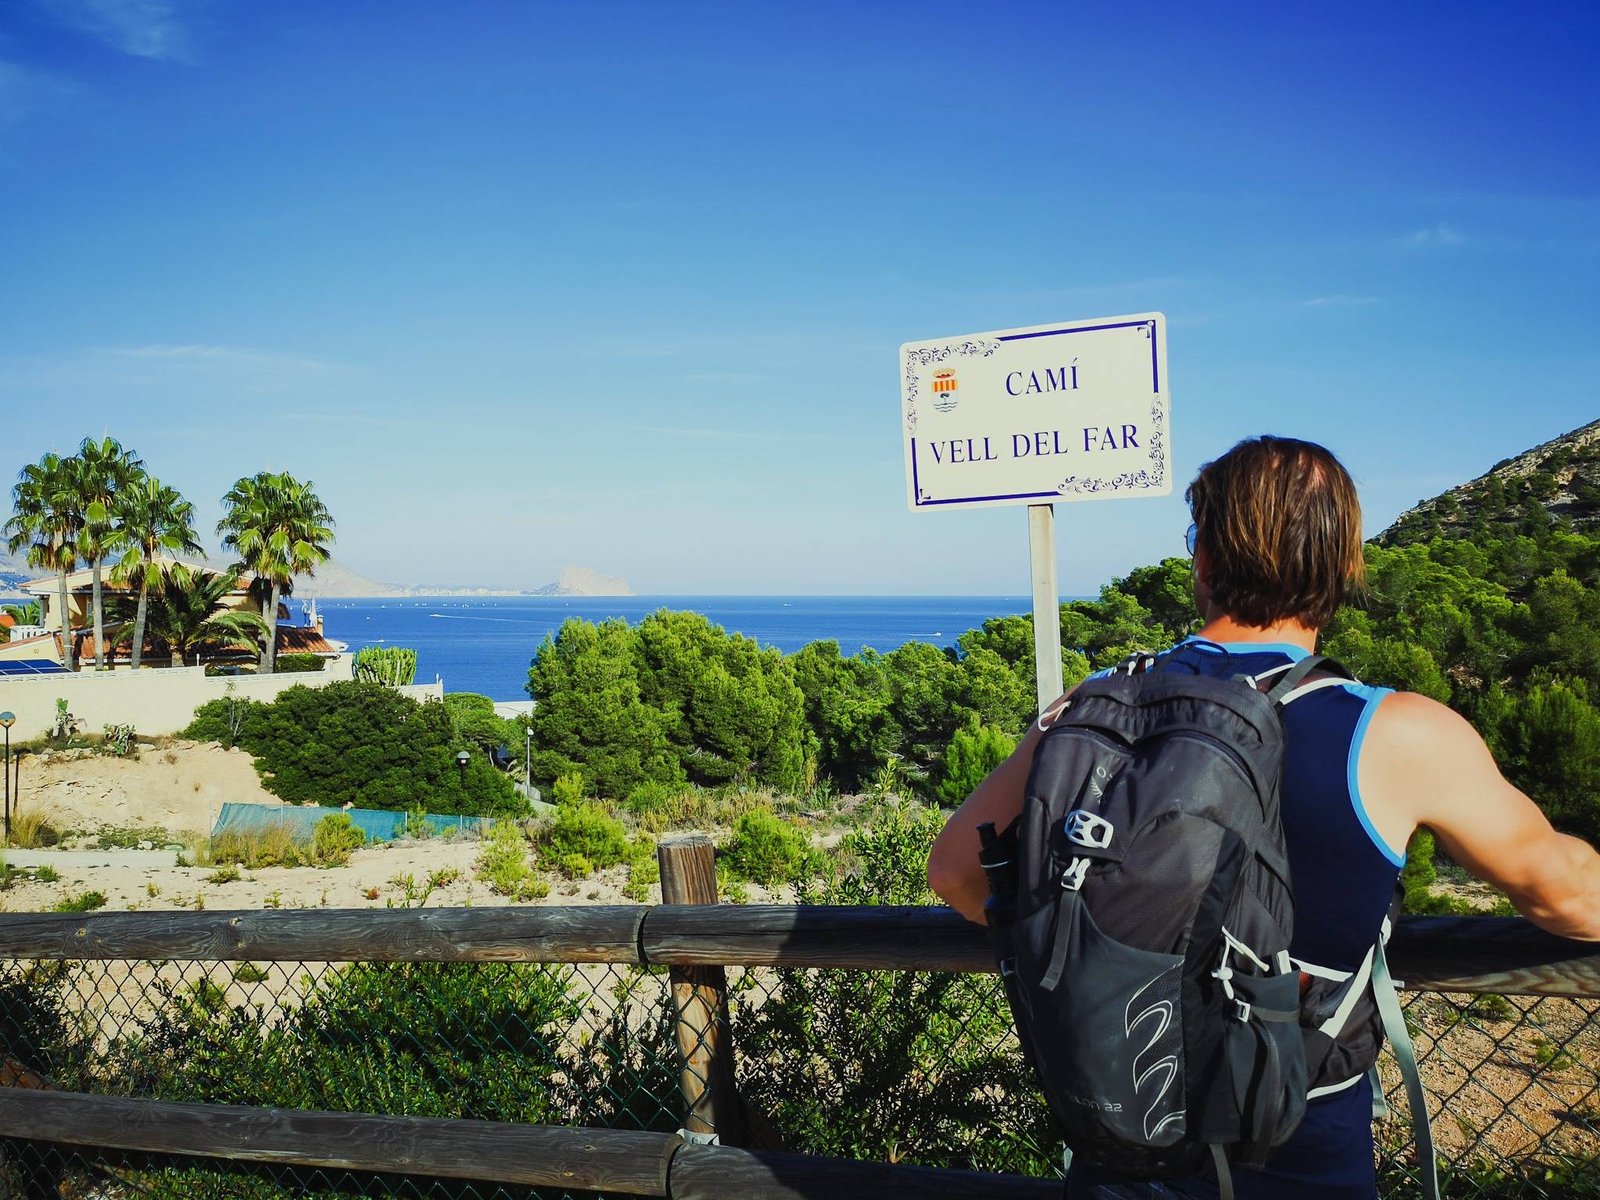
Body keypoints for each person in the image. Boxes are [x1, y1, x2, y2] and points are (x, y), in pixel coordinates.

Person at [927, 435, 1600, 1200]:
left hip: (1125, 1130)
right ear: (1346, 566)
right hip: (1297, 1153)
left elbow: (955, 873)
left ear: (1204, 561)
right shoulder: (1397, 734)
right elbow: (1566, 895)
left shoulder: (1092, 706)